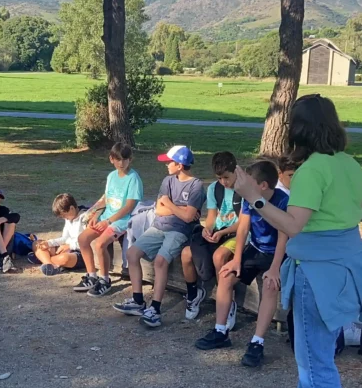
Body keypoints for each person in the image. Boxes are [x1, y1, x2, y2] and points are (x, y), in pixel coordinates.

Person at [234, 95, 362, 388]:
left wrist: (253, 197)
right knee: (318, 346)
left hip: (317, 272)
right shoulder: (349, 164)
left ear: (300, 129)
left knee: (312, 356)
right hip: (345, 267)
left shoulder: (312, 170)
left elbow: (292, 225)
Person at [195, 160, 288, 368]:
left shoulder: (283, 201)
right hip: (255, 249)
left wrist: (275, 268)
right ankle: (220, 331)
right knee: (226, 275)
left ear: (263, 185)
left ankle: (257, 342)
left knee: (270, 286)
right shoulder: (249, 198)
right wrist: (237, 259)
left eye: (249, 181)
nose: (243, 185)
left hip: (277, 253)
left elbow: (284, 237)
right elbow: (243, 229)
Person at [114, 146, 204, 328]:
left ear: (179, 165)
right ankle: (138, 301)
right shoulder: (167, 180)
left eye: (169, 162)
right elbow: (159, 210)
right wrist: (180, 209)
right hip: (158, 226)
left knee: (161, 261)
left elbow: (188, 218)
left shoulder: (196, 185)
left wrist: (169, 203)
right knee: (132, 253)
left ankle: (155, 309)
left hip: (179, 231)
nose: (166, 165)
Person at [74, 143, 143, 297]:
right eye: (118, 159)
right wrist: (96, 215)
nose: (121, 163)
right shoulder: (111, 176)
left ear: (130, 159)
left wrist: (108, 222)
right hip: (107, 217)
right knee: (82, 239)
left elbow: (129, 206)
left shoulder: (133, 178)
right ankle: (92, 276)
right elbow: (106, 198)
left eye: (125, 159)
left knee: (100, 244)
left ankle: (105, 280)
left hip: (122, 220)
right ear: (111, 159)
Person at [181, 151, 240, 322]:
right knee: (186, 253)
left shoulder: (243, 189)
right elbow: (212, 216)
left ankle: (227, 301)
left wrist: (222, 233)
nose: (224, 182)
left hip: (237, 233)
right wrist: (208, 229)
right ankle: (194, 293)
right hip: (219, 232)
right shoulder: (214, 188)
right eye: (219, 178)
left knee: (219, 256)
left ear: (235, 171)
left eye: (226, 177)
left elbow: (245, 223)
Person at [29, 193, 87, 276]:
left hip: (80, 251)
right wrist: (49, 243)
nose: (64, 218)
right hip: (65, 247)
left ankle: (43, 259)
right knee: (37, 244)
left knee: (65, 258)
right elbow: (64, 238)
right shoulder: (69, 218)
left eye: (64, 215)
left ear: (71, 208)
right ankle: (49, 264)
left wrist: (70, 246)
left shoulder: (85, 218)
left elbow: (88, 242)